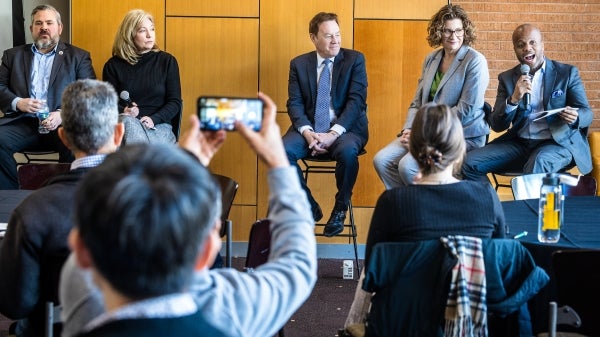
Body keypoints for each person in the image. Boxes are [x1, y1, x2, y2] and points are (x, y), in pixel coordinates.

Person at [60, 92, 317, 337]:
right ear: (207, 252)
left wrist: (183, 161)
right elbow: (298, 263)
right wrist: (278, 161)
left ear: (80, 248)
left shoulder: (80, 288)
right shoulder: (229, 306)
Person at [341, 103, 505, 337]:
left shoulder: (392, 203)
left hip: (400, 324)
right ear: (460, 151)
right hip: (467, 324)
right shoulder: (486, 198)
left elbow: (375, 273)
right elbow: (496, 265)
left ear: (413, 150)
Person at [0, 79, 123, 337]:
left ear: (64, 137)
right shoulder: (155, 202)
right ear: (119, 133)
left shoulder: (32, 211)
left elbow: (15, 304)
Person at [373, 4, 489, 189]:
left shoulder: (475, 61)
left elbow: (466, 110)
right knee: (381, 160)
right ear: (438, 32)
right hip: (424, 132)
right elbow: (417, 102)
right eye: (447, 31)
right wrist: (409, 129)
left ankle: (429, 210)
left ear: (465, 31)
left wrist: (422, 132)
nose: (453, 36)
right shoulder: (431, 59)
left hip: (460, 136)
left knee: (407, 166)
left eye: (458, 30)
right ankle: (408, 207)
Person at [463, 23, 593, 181]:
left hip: (557, 143)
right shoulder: (507, 78)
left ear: (542, 46)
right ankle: (490, 204)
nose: (526, 48)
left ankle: (527, 206)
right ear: (515, 50)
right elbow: (497, 124)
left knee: (539, 161)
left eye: (532, 42)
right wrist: (513, 100)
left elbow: (587, 113)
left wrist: (576, 116)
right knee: (468, 163)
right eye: (521, 44)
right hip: (520, 143)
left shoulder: (566, 73)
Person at [282, 12, 368, 237]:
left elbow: (356, 102)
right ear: (313, 38)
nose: (336, 41)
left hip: (345, 128)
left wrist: (332, 133)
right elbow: (295, 103)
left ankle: (340, 208)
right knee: (281, 152)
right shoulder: (299, 64)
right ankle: (308, 205)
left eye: (338, 35)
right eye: (329, 36)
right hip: (309, 128)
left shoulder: (355, 60)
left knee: (349, 152)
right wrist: (308, 133)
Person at [0, 4, 96, 189]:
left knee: (79, 140)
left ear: (59, 27)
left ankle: (65, 197)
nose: (44, 27)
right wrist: (18, 102)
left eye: (49, 22)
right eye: (39, 23)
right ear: (31, 29)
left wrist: (62, 113)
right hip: (23, 123)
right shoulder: (12, 56)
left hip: (62, 124)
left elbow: (89, 92)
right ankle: (10, 198)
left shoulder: (78, 56)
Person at [103, 9, 182, 145]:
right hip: (128, 125)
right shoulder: (113, 66)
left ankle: (142, 161)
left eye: (152, 29)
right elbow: (107, 105)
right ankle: (146, 161)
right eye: (142, 31)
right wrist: (124, 110)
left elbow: (175, 102)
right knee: (128, 123)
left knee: (140, 146)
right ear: (129, 35)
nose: (149, 35)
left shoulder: (167, 61)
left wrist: (154, 119)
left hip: (159, 126)